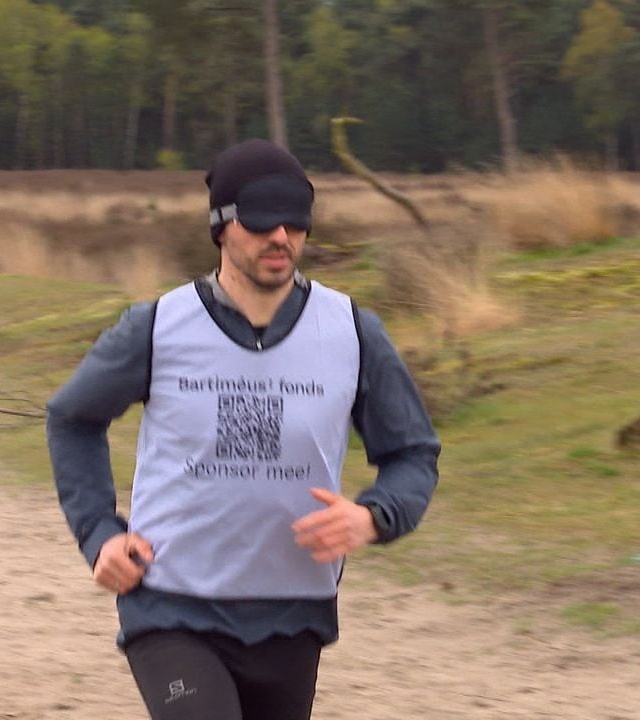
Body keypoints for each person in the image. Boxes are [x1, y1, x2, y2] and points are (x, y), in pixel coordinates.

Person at [46, 139, 440, 720]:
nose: (281, 235)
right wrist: (100, 533)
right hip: (171, 605)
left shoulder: (353, 332)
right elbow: (72, 419)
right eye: (261, 219)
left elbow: (413, 454)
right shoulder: (157, 327)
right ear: (222, 225)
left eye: (296, 219)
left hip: (293, 611)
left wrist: (374, 515)